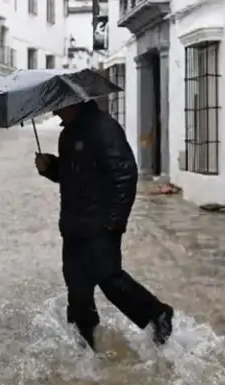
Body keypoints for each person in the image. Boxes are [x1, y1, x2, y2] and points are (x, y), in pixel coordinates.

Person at [33, 100, 174, 349]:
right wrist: (50, 167)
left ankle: (157, 314)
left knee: (109, 279)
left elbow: (125, 173)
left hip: (100, 224)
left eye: (58, 106)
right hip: (73, 225)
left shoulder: (104, 128)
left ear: (73, 103)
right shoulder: (67, 135)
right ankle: (85, 340)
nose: (54, 111)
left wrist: (115, 222)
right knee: (76, 286)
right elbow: (71, 175)